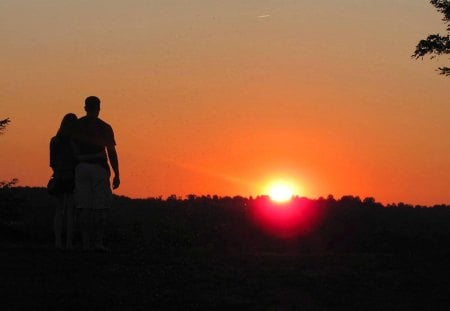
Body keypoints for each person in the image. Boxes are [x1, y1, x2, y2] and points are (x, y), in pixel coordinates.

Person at [72, 96, 120, 251]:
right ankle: (98, 243)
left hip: (81, 168)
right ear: (99, 108)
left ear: (85, 107)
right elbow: (111, 151)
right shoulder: (105, 127)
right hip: (99, 168)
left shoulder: (77, 125)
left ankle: (86, 244)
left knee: (84, 207)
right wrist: (117, 173)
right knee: (100, 208)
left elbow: (71, 148)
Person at [49, 113, 78, 250]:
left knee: (59, 210)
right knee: (70, 211)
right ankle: (69, 243)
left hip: (59, 176)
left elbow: (52, 162)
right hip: (71, 176)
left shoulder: (54, 140)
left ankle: (58, 242)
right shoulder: (74, 141)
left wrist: (57, 172)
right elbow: (76, 158)